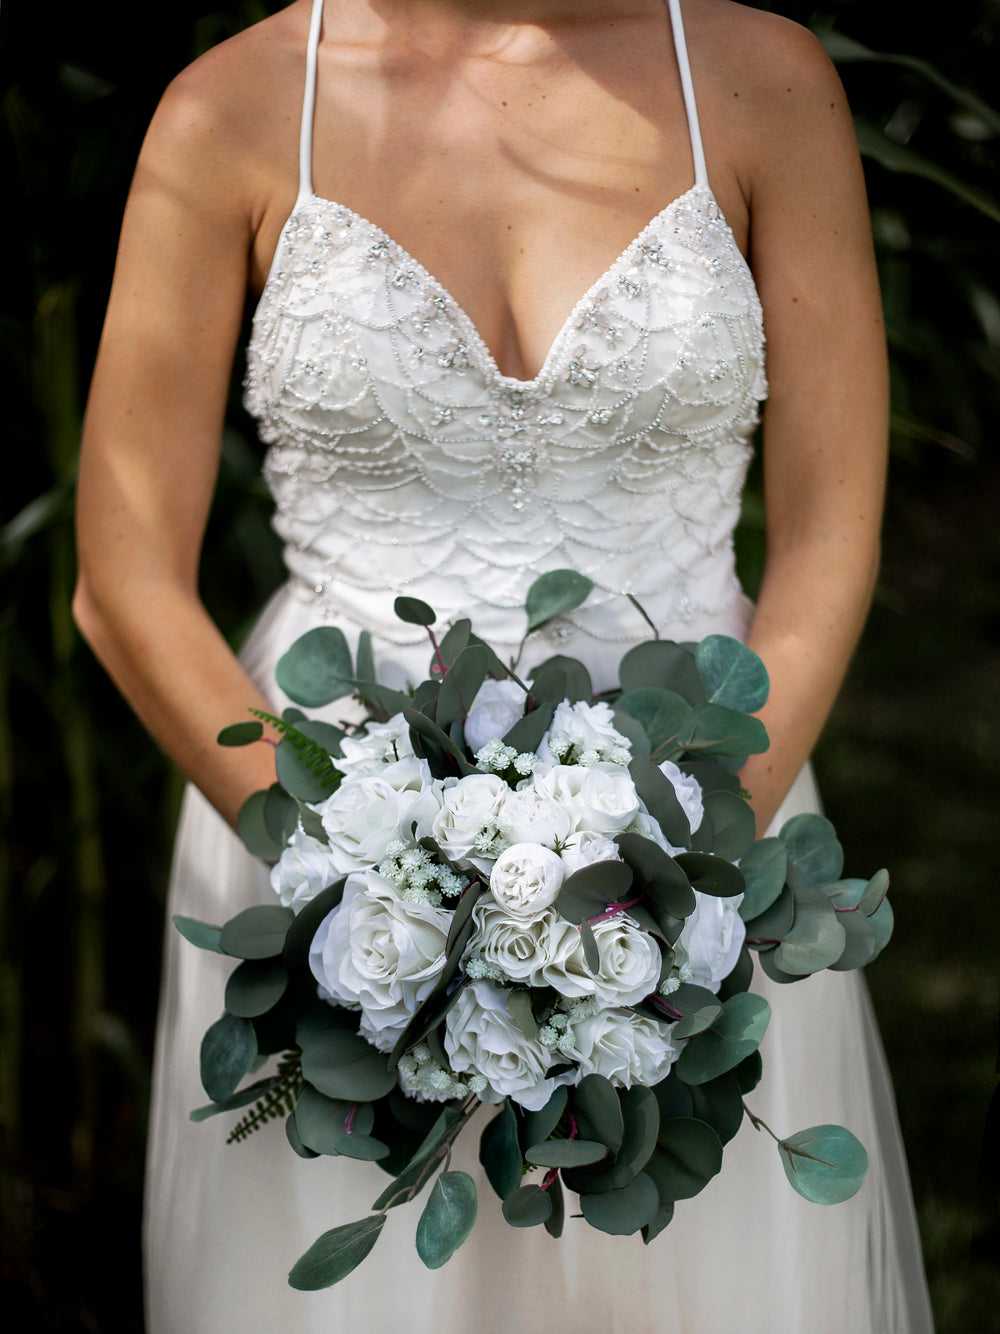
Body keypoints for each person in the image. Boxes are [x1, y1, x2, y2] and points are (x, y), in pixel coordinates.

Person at [73, 0, 935, 1329]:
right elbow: (123, 577)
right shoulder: (230, 111)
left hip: (705, 825)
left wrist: (681, 886)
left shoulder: (761, 83)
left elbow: (830, 531)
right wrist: (363, 891)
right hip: (324, 872)